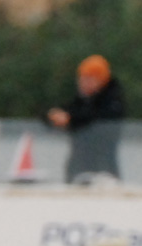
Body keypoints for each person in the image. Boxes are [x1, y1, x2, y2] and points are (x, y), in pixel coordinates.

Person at [46, 54, 125, 182]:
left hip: (103, 169)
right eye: (81, 78)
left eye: (89, 78)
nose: (83, 83)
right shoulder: (82, 101)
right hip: (78, 169)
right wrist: (54, 116)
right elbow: (69, 112)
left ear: (101, 80)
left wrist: (71, 119)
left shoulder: (112, 102)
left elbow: (96, 117)